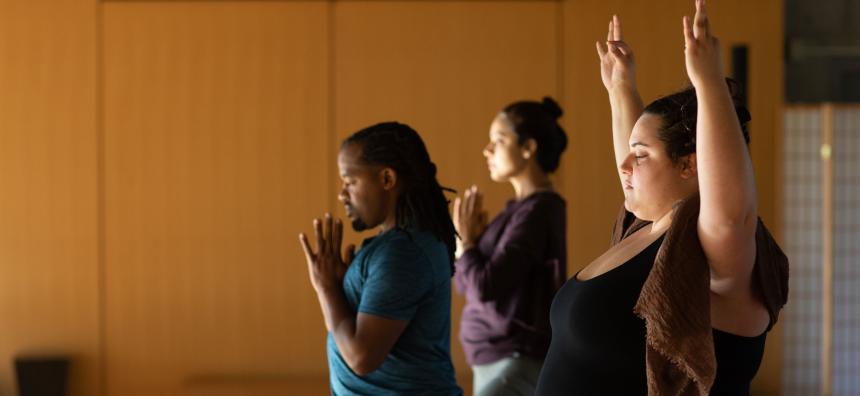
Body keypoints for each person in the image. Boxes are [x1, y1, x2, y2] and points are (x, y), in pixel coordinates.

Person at [535, 1, 789, 395]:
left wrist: (708, 83)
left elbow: (730, 216)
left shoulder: (717, 249)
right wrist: (621, 88)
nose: (624, 166)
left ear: (690, 165)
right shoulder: (647, 231)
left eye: (640, 156)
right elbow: (636, 163)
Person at [299, 122, 463, 395]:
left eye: (350, 181)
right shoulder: (398, 246)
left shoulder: (403, 253)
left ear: (387, 179)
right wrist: (343, 290)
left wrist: (326, 288)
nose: (342, 194)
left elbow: (361, 357)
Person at [453, 97, 568, 396]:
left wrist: (467, 246)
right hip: (493, 359)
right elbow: (465, 284)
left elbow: (484, 286)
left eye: (498, 140)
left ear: (528, 148)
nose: (487, 150)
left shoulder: (539, 210)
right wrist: (470, 248)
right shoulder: (516, 211)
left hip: (516, 359)